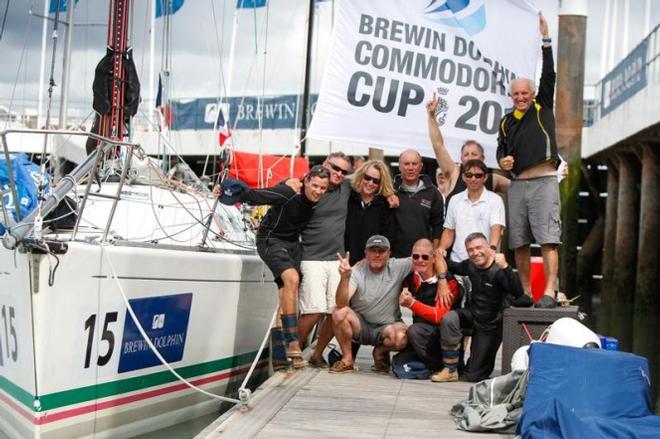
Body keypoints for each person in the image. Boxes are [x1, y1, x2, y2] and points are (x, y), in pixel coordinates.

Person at [217, 166, 331, 368]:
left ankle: (281, 358)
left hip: (293, 244)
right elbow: (254, 196)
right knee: (292, 279)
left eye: (323, 188)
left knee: (286, 293)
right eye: (315, 186)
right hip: (271, 239)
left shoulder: (317, 197)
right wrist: (224, 188)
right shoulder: (288, 192)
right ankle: (293, 343)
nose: (318, 192)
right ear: (305, 181)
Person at [496, 13, 559, 307]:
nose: (521, 97)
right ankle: (525, 293)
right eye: (516, 94)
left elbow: (550, 74)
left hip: (544, 181)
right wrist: (504, 161)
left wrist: (546, 40)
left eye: (525, 93)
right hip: (518, 186)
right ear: (511, 96)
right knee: (518, 241)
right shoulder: (506, 121)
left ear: (532, 93)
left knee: (548, 239)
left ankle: (548, 292)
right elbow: (500, 151)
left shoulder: (542, 105)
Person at [432, 232, 524, 382]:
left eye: (478, 247)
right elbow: (450, 265)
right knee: (449, 319)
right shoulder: (469, 265)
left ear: (488, 248)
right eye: (470, 250)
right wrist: (440, 256)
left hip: (491, 325)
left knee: (474, 376)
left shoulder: (499, 270)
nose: (475, 253)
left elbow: (519, 294)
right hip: (472, 315)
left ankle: (469, 366)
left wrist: (507, 267)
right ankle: (450, 369)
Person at [296, 152, 353, 365]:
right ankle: (294, 351)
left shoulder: (346, 188)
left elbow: (372, 181)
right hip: (311, 258)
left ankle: (317, 354)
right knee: (313, 311)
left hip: (336, 259)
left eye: (343, 171)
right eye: (335, 168)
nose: (339, 174)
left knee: (335, 312)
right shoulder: (308, 188)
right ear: (324, 165)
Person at [329, 235, 412, 373]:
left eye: (381, 251)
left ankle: (379, 352)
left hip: (387, 325)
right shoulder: (356, 271)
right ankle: (347, 359)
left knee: (400, 338)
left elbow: (425, 257)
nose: (377, 254)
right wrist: (344, 278)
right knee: (339, 312)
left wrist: (442, 280)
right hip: (361, 326)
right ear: (365, 253)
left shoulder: (397, 266)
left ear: (389, 254)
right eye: (372, 250)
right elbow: (341, 302)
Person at [397, 238, 460, 371]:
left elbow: (439, 315)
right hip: (423, 336)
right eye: (416, 256)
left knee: (414, 331)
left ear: (433, 259)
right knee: (398, 363)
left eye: (425, 257)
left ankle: (440, 367)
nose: (420, 260)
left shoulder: (448, 282)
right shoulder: (409, 279)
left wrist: (412, 303)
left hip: (444, 338)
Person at [440, 159, 505, 263]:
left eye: (478, 175)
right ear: (463, 177)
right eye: (469, 175)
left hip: (484, 262)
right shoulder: (454, 199)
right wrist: (441, 248)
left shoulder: (495, 200)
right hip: (457, 261)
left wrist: (492, 249)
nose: (473, 179)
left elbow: (496, 227)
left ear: (485, 178)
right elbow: (449, 231)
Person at [391, 149, 444, 258]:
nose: (411, 168)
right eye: (406, 164)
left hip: (422, 257)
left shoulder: (433, 193)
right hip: (395, 257)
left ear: (420, 166)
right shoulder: (390, 191)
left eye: (414, 164)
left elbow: (438, 226)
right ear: (400, 166)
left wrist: (433, 252)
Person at [344, 160, 396, 265]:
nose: (370, 183)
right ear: (361, 176)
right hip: (345, 261)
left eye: (376, 181)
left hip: (371, 264)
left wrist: (368, 259)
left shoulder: (385, 205)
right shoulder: (348, 196)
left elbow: (388, 237)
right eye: (367, 178)